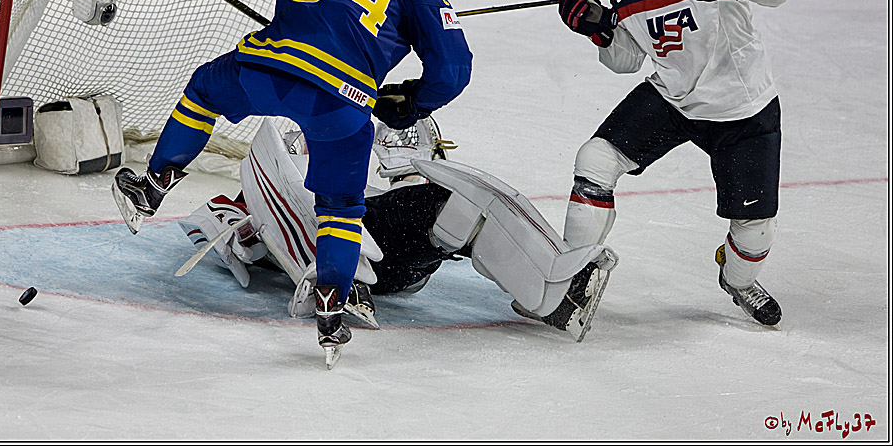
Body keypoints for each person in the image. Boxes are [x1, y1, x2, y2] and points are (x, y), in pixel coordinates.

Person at [112, 0, 473, 367]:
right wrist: (411, 102)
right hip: (340, 101)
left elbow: (289, 14)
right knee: (340, 208)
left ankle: (155, 184)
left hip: (265, 70)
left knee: (203, 91)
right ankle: (331, 306)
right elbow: (454, 69)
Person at [555, 0, 791, 327]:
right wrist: (598, 27)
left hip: (741, 109)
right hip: (672, 97)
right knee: (595, 159)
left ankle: (737, 280)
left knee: (755, 231)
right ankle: (573, 278)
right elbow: (626, 60)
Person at [175, 116, 618, 343]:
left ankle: (560, 293)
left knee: (461, 205)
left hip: (386, 257)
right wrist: (249, 235)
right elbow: (210, 221)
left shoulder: (356, 168)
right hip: (353, 259)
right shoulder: (269, 179)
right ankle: (560, 298)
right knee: (446, 205)